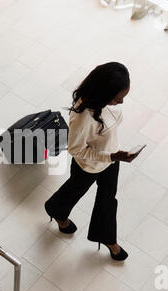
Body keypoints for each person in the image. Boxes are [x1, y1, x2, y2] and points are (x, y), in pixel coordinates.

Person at [44, 61, 136, 261]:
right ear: (104, 93)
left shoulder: (103, 105)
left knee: (108, 200)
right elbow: (75, 149)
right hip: (90, 164)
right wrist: (110, 156)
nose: (121, 102)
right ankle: (56, 210)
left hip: (111, 157)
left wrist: (113, 156)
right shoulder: (83, 116)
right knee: (74, 191)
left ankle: (109, 240)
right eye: (118, 98)